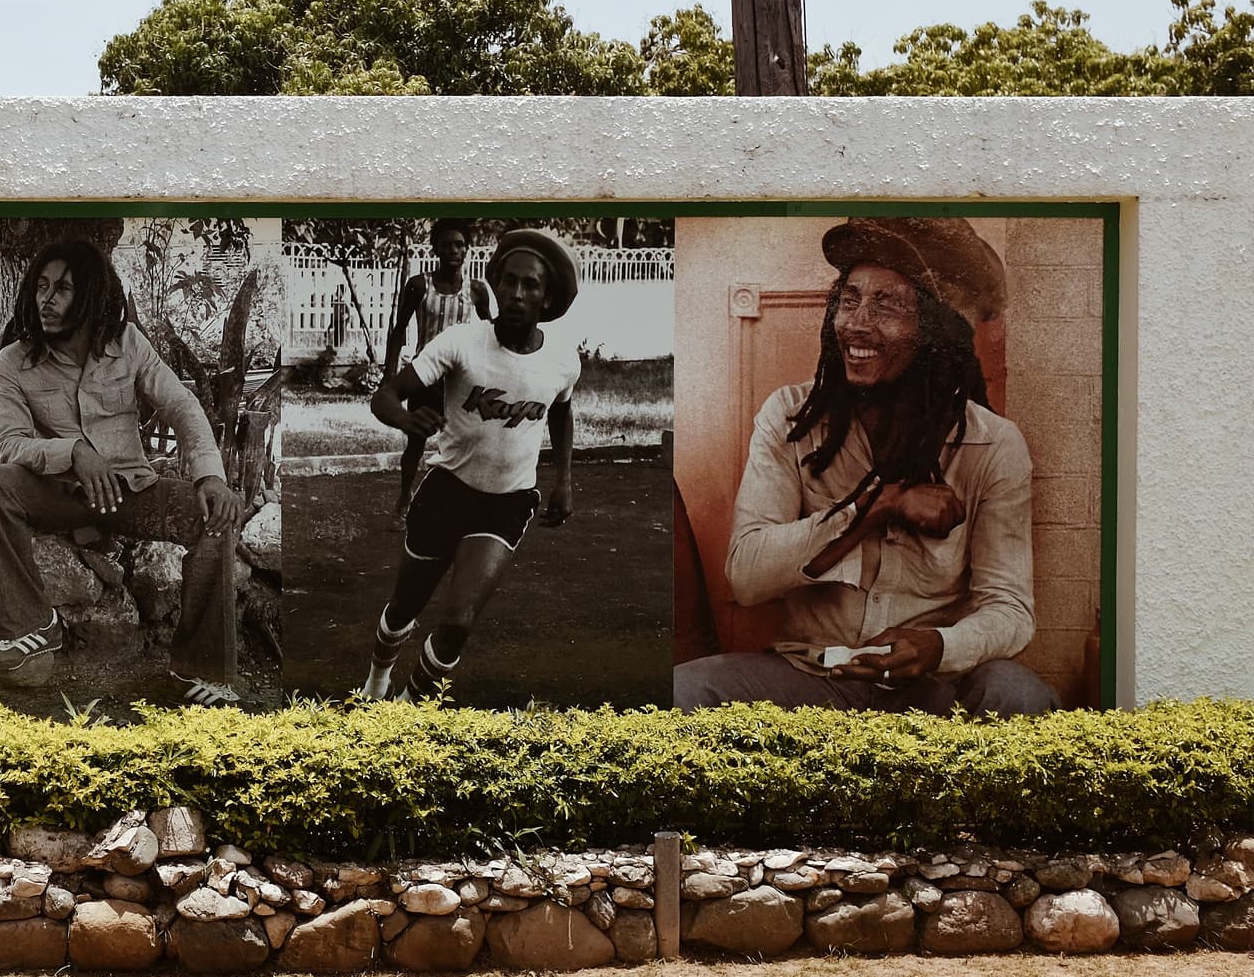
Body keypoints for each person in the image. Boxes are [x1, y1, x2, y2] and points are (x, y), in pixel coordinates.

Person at [672, 217, 1060, 716]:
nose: (855, 322)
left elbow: (1009, 609)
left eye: (887, 304)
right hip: (815, 678)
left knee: (1020, 695)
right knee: (683, 692)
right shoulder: (790, 418)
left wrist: (938, 646)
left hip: (936, 687)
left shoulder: (992, 445)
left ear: (936, 332)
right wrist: (873, 508)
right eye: (849, 298)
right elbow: (746, 575)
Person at [0, 238, 242, 701]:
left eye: (64, 289)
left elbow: (181, 406)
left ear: (91, 296)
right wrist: (72, 452)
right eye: (42, 286)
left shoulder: (128, 343)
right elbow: (7, 444)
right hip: (56, 495)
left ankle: (201, 670)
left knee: (211, 516)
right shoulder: (14, 361)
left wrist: (210, 476)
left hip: (128, 491)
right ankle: (32, 629)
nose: (46, 300)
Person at [356, 229, 582, 700]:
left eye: (531, 285)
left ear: (548, 297)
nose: (517, 294)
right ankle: (377, 680)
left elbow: (561, 410)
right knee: (404, 607)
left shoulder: (563, 359)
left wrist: (563, 479)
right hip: (448, 491)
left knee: (458, 622)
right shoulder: (461, 342)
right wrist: (405, 419)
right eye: (509, 281)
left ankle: (408, 710)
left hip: (508, 501)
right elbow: (386, 397)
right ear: (495, 285)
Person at [383, 218, 493, 520]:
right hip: (425, 376)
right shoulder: (420, 285)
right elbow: (399, 329)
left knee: (462, 441)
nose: (453, 251)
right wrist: (389, 375)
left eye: (459, 245)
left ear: (468, 250)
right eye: (446, 244)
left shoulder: (476, 290)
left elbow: (490, 334)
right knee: (416, 441)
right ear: (435, 249)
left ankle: (456, 507)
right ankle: (404, 500)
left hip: (459, 379)